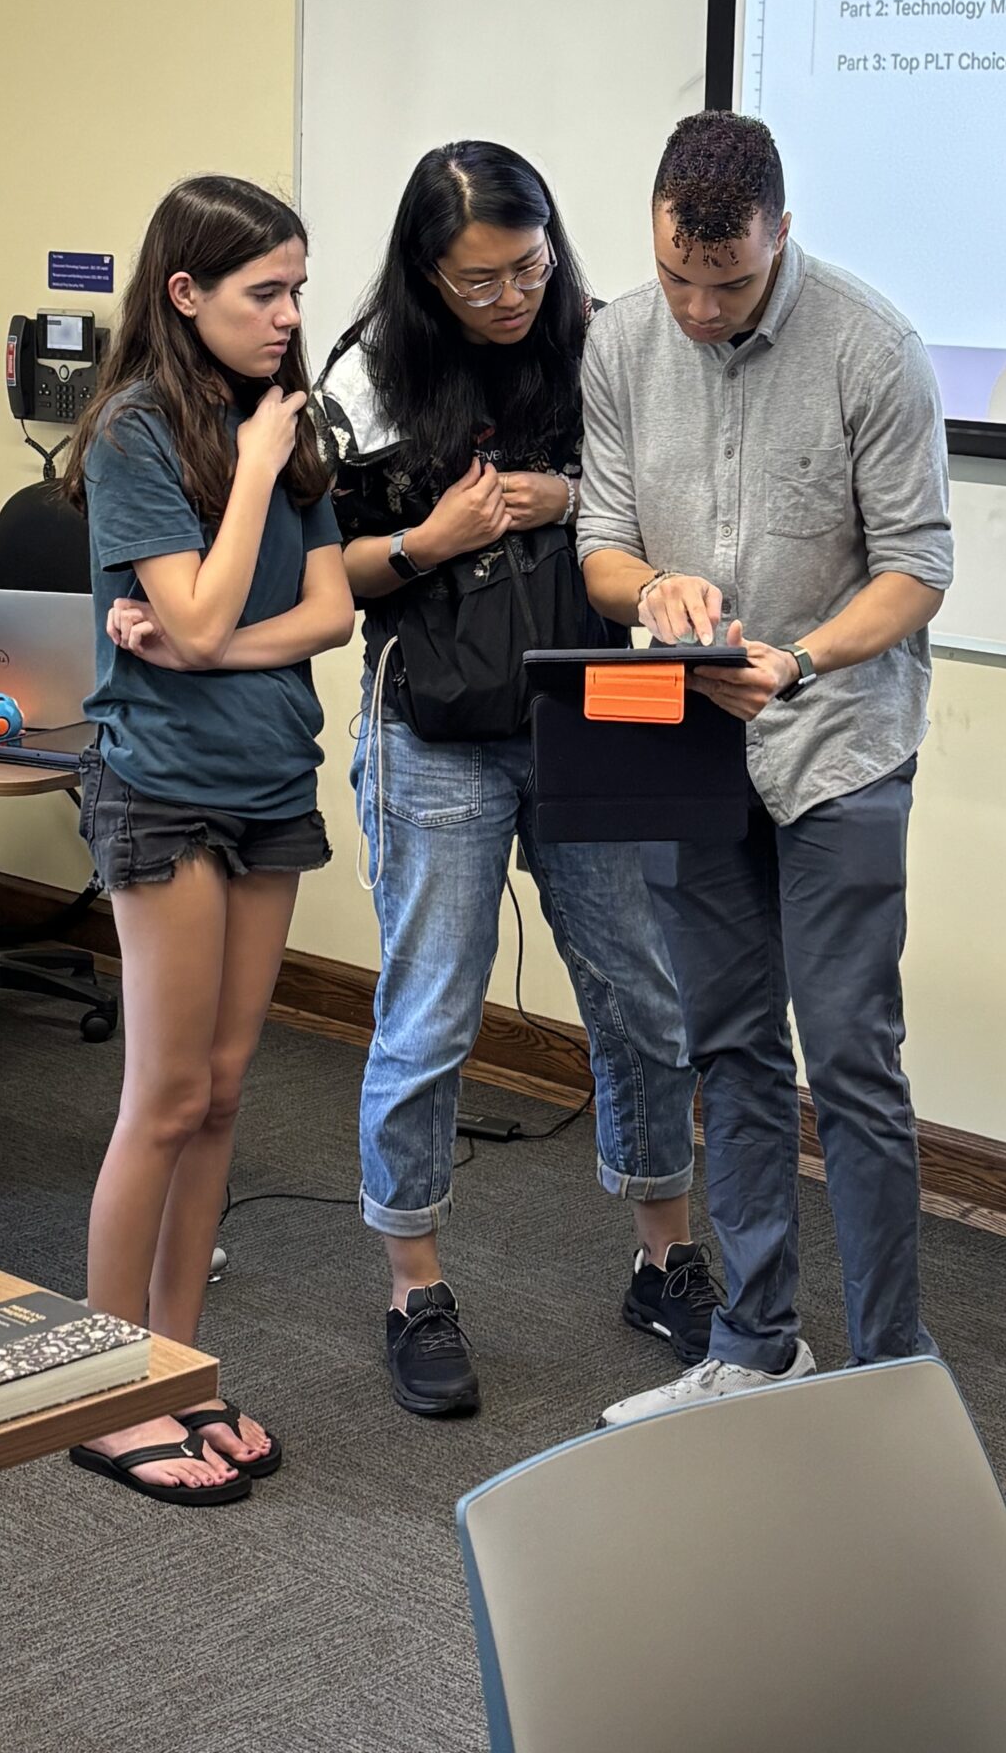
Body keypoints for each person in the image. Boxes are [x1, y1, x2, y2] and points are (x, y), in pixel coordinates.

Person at [318, 141, 713, 1418]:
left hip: (591, 706)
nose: (509, 298)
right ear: (426, 274)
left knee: (641, 992)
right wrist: (426, 540)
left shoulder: (599, 345)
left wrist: (568, 496)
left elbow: (674, 502)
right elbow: (325, 577)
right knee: (433, 1007)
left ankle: (665, 1257)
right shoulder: (369, 375)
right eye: (478, 280)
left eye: (528, 267)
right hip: (434, 723)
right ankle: (413, 1285)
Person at [576, 110, 953, 1424]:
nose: (693, 306)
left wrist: (796, 659)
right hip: (690, 744)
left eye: (725, 283)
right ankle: (752, 1342)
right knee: (727, 1048)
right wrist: (655, 588)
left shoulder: (872, 345)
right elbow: (603, 546)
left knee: (851, 1059)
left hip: (842, 744)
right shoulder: (620, 340)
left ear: (779, 236)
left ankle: (893, 1368)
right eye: (675, 274)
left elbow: (920, 568)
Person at [60, 174, 354, 1502]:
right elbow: (190, 613)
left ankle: (178, 1363)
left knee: (230, 1089)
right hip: (162, 787)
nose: (291, 315)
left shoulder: (295, 423)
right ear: (186, 294)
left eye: (298, 287)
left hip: (266, 787)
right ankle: (102, 1383)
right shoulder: (136, 430)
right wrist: (247, 485)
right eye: (264, 293)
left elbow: (330, 609)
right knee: (166, 1096)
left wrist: (209, 640)